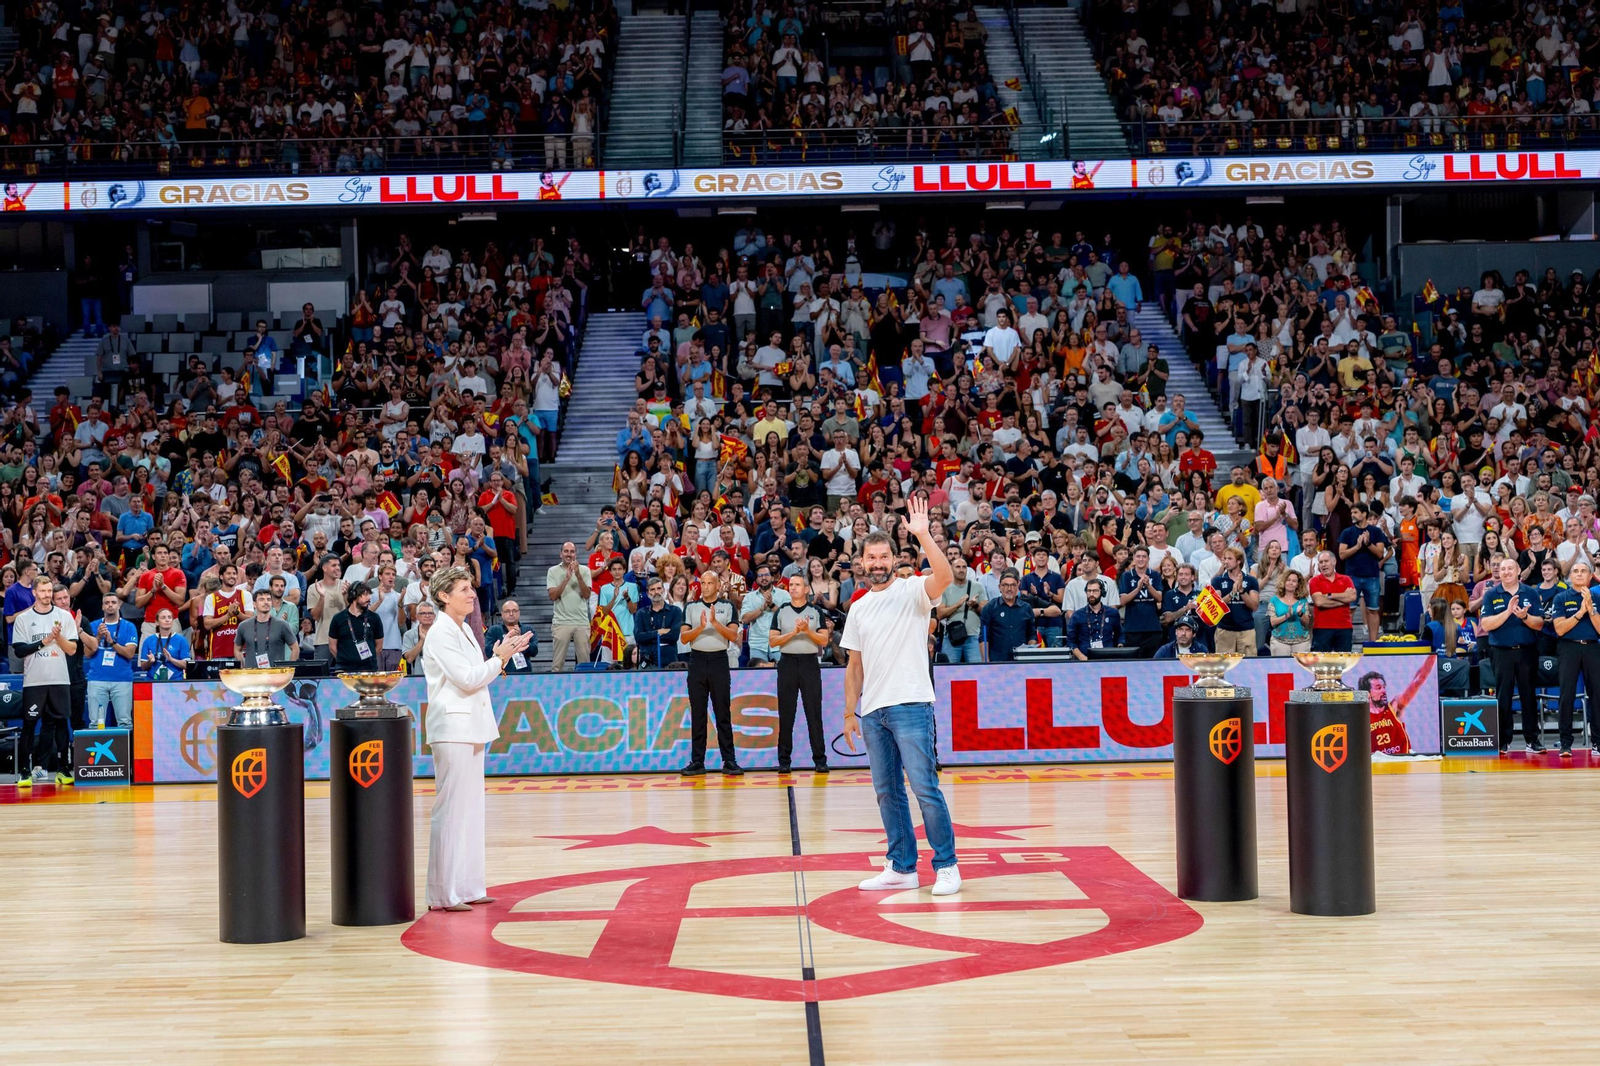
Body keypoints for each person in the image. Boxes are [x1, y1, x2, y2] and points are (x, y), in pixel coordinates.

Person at [841, 496, 960, 896]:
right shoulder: (858, 608)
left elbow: (944, 577)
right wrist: (848, 713)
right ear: (861, 562)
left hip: (911, 704)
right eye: (870, 557)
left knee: (925, 787)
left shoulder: (913, 590)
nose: (877, 563)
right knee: (887, 792)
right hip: (873, 712)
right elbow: (854, 666)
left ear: (893, 558)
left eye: (883, 556)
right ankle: (902, 867)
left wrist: (924, 535)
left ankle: (946, 866)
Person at [422, 566, 533, 912]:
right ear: (444, 596)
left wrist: (501, 656)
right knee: (451, 810)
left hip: (470, 727)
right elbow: (468, 679)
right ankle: (441, 893)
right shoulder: (441, 632)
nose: (472, 594)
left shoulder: (465, 629)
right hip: (452, 729)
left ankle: (468, 885)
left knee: (471, 810)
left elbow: (477, 675)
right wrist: (498, 659)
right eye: (464, 589)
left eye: (471, 588)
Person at [10, 576, 78, 786]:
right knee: (29, 725)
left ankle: (63, 769)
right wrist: (44, 641)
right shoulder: (23, 619)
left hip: (59, 679)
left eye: (49, 591)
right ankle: (24, 771)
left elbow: (72, 650)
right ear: (34, 593)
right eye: (43, 591)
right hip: (34, 681)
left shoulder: (64, 616)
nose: (47, 595)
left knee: (61, 723)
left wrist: (58, 638)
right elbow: (20, 650)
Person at [1478, 558, 1545, 754]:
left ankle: (1532, 740)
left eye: (1510, 568)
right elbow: (1487, 625)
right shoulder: (1491, 594)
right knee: (1503, 696)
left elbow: (1539, 624)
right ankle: (1503, 741)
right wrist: (1508, 612)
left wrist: (1524, 617)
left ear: (1518, 571)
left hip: (1526, 651)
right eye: (1502, 568)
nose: (1506, 572)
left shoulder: (1531, 593)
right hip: (1501, 652)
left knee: (1528, 696)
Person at [679, 570, 743, 776]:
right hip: (697, 661)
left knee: (722, 713)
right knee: (698, 714)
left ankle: (729, 760)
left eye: (710, 583)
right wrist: (701, 627)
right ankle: (697, 761)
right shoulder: (691, 607)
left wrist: (715, 624)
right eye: (703, 583)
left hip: (719, 661)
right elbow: (684, 638)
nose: (705, 586)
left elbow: (734, 636)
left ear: (717, 586)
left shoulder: (728, 607)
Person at [770, 574, 832, 773]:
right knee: (786, 713)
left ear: (806, 589)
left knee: (813, 713)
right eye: (791, 585)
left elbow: (823, 640)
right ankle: (784, 761)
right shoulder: (781, 611)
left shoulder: (815, 611)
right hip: (787, 663)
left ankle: (820, 760)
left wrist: (806, 631)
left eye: (798, 585)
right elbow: (773, 641)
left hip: (809, 664)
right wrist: (794, 633)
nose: (793, 588)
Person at [1549, 560, 1600, 758]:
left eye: (1583, 571)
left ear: (1590, 577)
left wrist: (1591, 609)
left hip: (1592, 647)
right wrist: (1581, 612)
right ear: (1570, 576)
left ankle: (1597, 742)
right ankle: (1565, 744)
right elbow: (1560, 629)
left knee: (1597, 696)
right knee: (1567, 696)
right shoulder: (1561, 598)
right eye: (1575, 571)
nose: (1579, 574)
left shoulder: (1596, 596)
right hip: (1568, 648)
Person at [81, 592, 138, 728]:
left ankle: (126, 750)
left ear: (118, 605)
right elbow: (87, 654)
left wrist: (112, 642)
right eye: (107, 603)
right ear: (102, 607)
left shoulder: (129, 627)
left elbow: (130, 654)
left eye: (113, 602)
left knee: (125, 722)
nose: (110, 605)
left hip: (122, 680)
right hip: (97, 679)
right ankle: (97, 750)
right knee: (95, 723)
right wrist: (98, 637)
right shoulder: (94, 626)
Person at [1338, 500, 1391, 639]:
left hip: (1372, 576)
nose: (1352, 515)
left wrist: (1367, 544)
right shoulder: (1347, 532)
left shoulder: (1376, 531)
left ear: (1364, 514)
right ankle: (1346, 641)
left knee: (1373, 610)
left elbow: (1380, 553)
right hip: (1351, 577)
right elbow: (1342, 554)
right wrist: (1356, 546)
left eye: (1355, 512)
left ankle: (1372, 644)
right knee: (1349, 610)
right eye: (1351, 512)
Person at [545, 541, 592, 670]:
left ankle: (585, 688)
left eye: (572, 551)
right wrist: (566, 579)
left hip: (581, 622)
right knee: (557, 665)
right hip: (561, 623)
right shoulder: (553, 571)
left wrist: (578, 575)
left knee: (585, 664)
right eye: (566, 551)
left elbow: (587, 595)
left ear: (575, 554)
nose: (569, 554)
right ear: (561, 554)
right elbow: (552, 596)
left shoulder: (585, 570)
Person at [1209, 547, 1260, 655]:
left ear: (1238, 561)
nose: (1226, 562)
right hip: (1224, 630)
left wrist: (1241, 590)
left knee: (1248, 666)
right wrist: (1232, 593)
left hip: (1246, 631)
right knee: (1224, 668)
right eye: (1225, 559)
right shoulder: (1217, 580)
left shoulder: (1251, 580)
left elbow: (1254, 606)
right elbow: (1216, 606)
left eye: (1229, 559)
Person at [981, 568, 1037, 661]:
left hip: (1021, 661)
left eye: (1013, 585)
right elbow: (983, 637)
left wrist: (1029, 650)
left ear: (1017, 587)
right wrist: (985, 660)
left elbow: (1032, 634)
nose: (1009, 588)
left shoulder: (1026, 608)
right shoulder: (989, 608)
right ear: (999, 587)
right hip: (997, 660)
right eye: (1005, 585)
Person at [328, 580, 383, 671]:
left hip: (368, 669)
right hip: (344, 669)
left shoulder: (374, 618)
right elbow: (332, 647)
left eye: (369, 594)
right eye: (365, 594)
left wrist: (367, 660)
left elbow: (379, 647)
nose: (369, 598)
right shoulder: (338, 618)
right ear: (354, 595)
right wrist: (344, 660)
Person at [1309, 550, 1357, 651]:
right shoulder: (1314, 581)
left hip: (1344, 627)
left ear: (1334, 561)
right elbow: (1319, 602)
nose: (1323, 565)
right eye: (1321, 562)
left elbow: (1352, 597)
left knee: (1344, 663)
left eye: (1326, 561)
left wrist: (1329, 595)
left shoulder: (1346, 579)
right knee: (1322, 663)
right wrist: (1343, 599)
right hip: (1322, 628)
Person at [236, 590, 299, 667]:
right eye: (261, 599)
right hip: (252, 676)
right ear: (254, 604)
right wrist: (242, 668)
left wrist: (290, 669)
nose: (266, 602)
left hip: (276, 676)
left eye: (268, 599)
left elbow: (295, 648)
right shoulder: (244, 626)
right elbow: (237, 649)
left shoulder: (282, 625)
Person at [1065, 577, 1122, 660]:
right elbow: (1071, 641)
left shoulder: (1112, 613)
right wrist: (1081, 657)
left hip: (1108, 659)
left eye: (1095, 591)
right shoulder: (1077, 615)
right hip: (1085, 658)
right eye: (1089, 591)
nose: (1091, 594)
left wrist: (1120, 648)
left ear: (1102, 592)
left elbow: (1120, 634)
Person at [138, 608, 193, 681]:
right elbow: (143, 667)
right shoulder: (148, 641)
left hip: (175, 682)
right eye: (163, 617)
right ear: (157, 622)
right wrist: (150, 661)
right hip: (153, 682)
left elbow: (186, 665)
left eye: (169, 617)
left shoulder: (181, 640)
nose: (167, 620)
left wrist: (171, 660)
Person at [483, 600, 536, 674]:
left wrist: (519, 639)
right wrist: (508, 643)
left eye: (514, 611)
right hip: (501, 674)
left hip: (524, 675)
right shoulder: (494, 630)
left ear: (519, 613)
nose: (511, 614)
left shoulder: (528, 629)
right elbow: (488, 652)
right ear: (502, 614)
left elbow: (534, 651)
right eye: (507, 611)